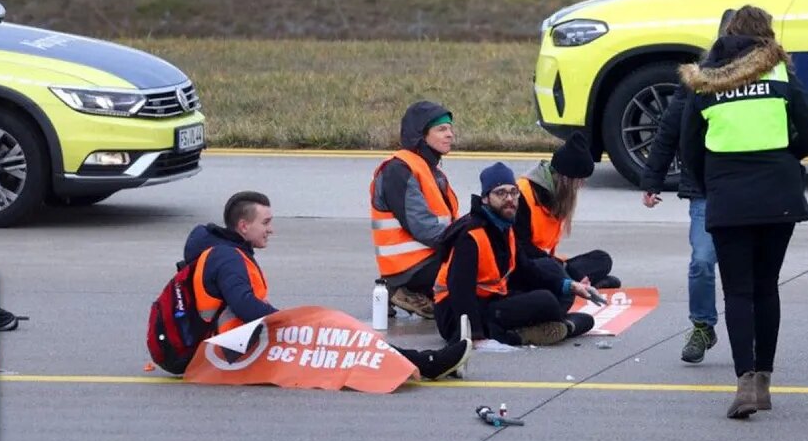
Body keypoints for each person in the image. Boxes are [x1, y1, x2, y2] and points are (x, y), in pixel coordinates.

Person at [677, 5, 808, 419]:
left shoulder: (704, 82)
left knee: (738, 291)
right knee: (766, 287)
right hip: (779, 196)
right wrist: (784, 160)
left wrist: (713, 184)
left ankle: (744, 385)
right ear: (766, 38)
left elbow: (689, 150)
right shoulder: (780, 75)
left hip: (728, 198)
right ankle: (764, 383)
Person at [182, 191, 473, 381]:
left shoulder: (228, 252)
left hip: (238, 345)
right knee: (338, 338)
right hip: (231, 353)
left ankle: (421, 363)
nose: (271, 229)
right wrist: (289, 322)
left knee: (342, 337)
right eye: (266, 222)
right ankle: (427, 364)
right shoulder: (227, 258)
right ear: (243, 227)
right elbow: (246, 307)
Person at [638, 8, 736, 365]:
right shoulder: (699, 78)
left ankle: (751, 332)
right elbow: (669, 129)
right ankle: (702, 325)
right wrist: (652, 179)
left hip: (744, 187)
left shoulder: (761, 78)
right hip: (706, 189)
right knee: (702, 262)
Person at [433, 162, 599, 349]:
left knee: (567, 299)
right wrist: (475, 336)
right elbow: (460, 289)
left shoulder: (505, 227)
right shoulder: (471, 235)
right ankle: (518, 335)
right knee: (546, 301)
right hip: (456, 316)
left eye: (513, 192)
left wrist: (570, 286)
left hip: (492, 300)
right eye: (501, 193)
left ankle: (551, 326)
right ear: (486, 198)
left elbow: (526, 269)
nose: (510, 199)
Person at [368, 101, 461, 319]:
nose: (450, 135)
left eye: (450, 128)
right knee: (476, 267)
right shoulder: (399, 169)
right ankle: (402, 290)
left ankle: (421, 294)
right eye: (441, 129)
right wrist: (466, 241)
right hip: (410, 267)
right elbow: (424, 228)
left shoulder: (431, 170)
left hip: (429, 258)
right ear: (420, 135)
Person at [513, 131, 620, 288]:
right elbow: (520, 248)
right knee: (559, 272)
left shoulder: (557, 196)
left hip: (549, 262)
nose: (581, 185)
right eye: (579, 181)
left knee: (602, 259)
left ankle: (574, 280)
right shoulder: (522, 195)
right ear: (566, 180)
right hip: (527, 265)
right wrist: (558, 267)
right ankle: (574, 282)